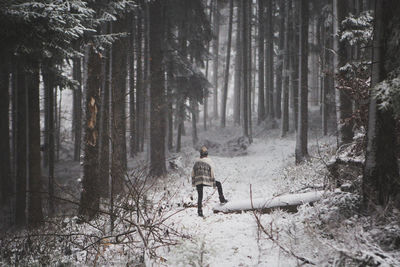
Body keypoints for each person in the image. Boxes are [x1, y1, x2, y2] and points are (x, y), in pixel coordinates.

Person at [191, 146, 228, 217]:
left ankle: (199, 211)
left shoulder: (196, 161)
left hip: (198, 180)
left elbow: (193, 172)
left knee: (200, 196)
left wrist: (194, 182)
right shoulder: (208, 161)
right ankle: (222, 199)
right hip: (206, 180)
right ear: (206, 154)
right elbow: (211, 171)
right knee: (219, 184)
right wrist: (212, 181)